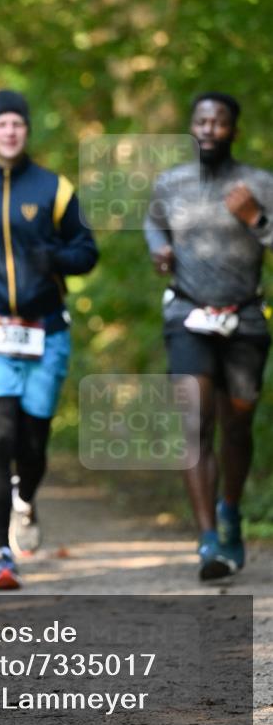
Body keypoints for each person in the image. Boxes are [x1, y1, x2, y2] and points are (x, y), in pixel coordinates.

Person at [0, 90, 98, 590]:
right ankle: (0, 555)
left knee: (32, 444)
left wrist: (52, 257)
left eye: (17, 123)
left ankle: (25, 500)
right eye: (1, 123)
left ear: (26, 130)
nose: (9, 131)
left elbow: (86, 252)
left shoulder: (54, 189)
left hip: (45, 331)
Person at [144, 92, 272, 581]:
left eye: (220, 122)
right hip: (188, 312)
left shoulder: (259, 183)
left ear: (233, 131)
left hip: (245, 318)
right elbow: (154, 224)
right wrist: (160, 251)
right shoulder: (171, 182)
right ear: (191, 127)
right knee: (194, 425)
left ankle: (232, 513)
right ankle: (208, 541)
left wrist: (255, 220)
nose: (209, 129)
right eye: (201, 120)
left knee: (237, 425)